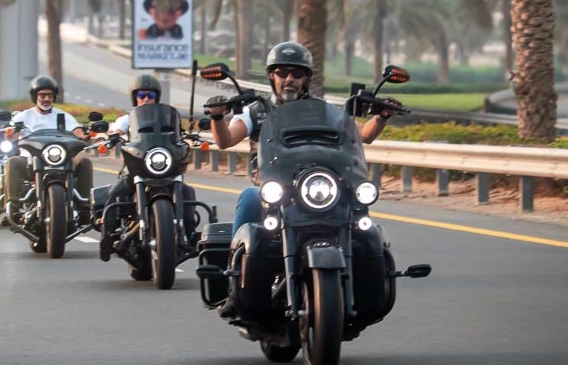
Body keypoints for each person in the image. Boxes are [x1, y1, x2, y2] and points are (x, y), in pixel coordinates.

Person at [206, 42, 400, 316]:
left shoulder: (324, 111)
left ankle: (366, 288)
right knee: (249, 197)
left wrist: (381, 117)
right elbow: (225, 140)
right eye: (282, 72)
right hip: (275, 191)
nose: (289, 79)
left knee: (360, 220)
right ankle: (233, 283)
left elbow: (362, 135)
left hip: (318, 187)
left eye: (297, 73)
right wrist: (217, 117)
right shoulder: (255, 111)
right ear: (271, 75)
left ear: (306, 78)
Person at [97, 74, 201, 259]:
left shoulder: (167, 118)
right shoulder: (127, 119)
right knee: (115, 192)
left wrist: (190, 135)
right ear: (135, 97)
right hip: (135, 171)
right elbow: (117, 129)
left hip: (163, 169)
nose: (146, 99)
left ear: (156, 97)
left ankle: (190, 235)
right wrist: (114, 135)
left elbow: (179, 133)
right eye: (142, 95)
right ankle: (107, 237)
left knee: (187, 192)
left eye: (150, 95)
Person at [5, 75, 93, 217]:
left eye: (50, 96)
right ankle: (13, 207)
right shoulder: (23, 116)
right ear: (35, 96)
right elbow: (10, 135)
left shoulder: (63, 116)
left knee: (85, 162)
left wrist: (84, 134)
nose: (46, 99)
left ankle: (85, 207)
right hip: (30, 161)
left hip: (60, 160)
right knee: (12, 162)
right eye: (42, 95)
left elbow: (76, 129)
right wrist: (12, 132)